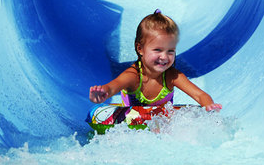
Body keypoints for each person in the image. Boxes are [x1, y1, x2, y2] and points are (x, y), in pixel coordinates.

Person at [89, 10, 222, 111]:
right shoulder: (133, 75)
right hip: (132, 124)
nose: (164, 57)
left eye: (170, 51)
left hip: (160, 124)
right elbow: (113, 86)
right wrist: (103, 92)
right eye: (158, 50)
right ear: (140, 49)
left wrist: (209, 107)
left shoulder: (172, 76)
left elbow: (200, 95)